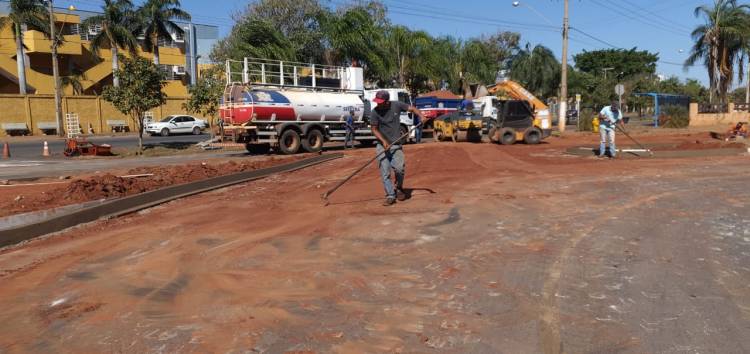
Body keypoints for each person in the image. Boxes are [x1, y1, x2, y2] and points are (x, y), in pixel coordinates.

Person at [370, 90, 427, 206]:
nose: (378, 104)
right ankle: (390, 195)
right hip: (382, 145)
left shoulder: (396, 105)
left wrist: (421, 115)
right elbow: (374, 129)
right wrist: (383, 141)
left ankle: (399, 188)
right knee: (385, 172)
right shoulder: (375, 112)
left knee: (400, 169)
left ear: (387, 101)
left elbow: (412, 109)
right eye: (377, 101)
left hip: (396, 144)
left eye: (380, 102)